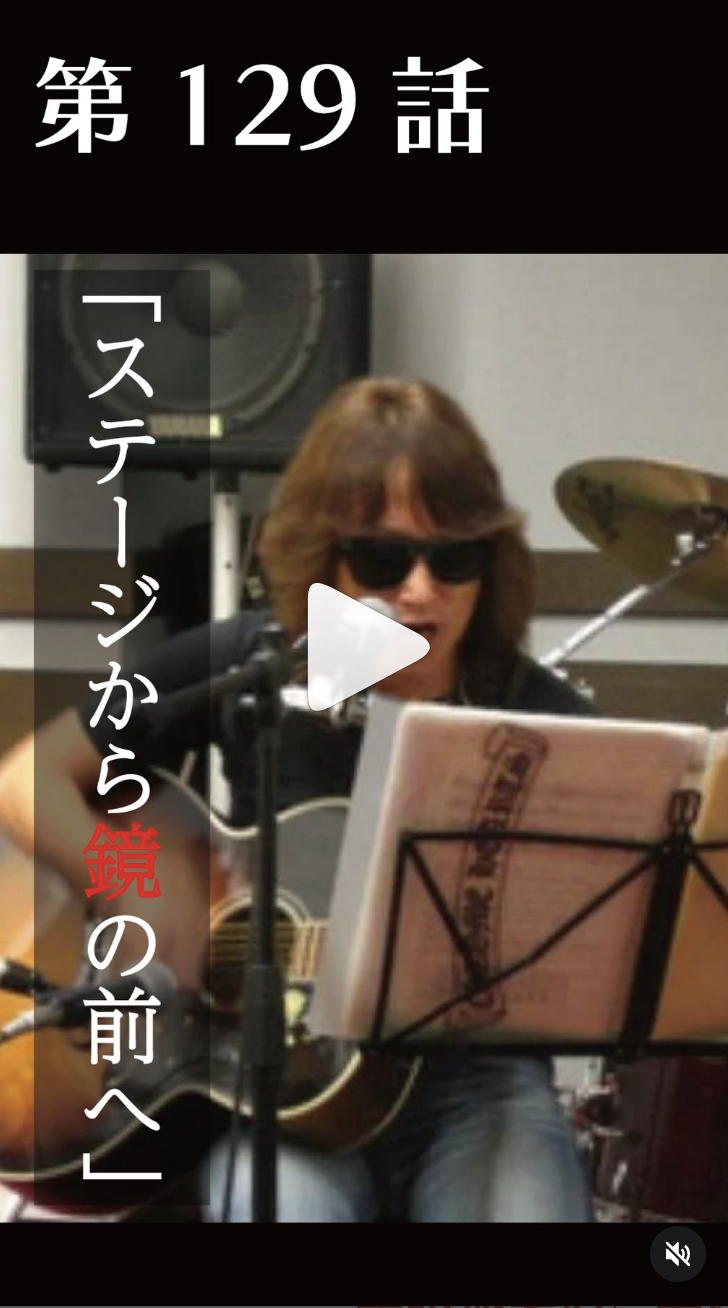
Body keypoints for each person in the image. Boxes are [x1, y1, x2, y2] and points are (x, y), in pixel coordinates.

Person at [0, 376, 595, 1222]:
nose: (421, 590)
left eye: (455, 558)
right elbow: (29, 777)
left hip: (473, 1087)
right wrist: (137, 880)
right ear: (325, 557)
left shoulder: (543, 721)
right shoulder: (253, 665)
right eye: (384, 560)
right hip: (275, 1087)